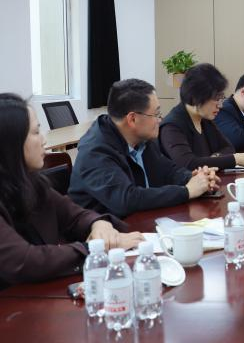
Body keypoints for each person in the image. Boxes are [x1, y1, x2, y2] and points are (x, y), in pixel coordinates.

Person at [0, 93, 143, 288]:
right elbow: (23, 261)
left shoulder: (32, 183)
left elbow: (75, 216)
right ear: (10, 143)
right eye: (36, 132)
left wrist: (98, 224)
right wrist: (93, 249)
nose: (43, 140)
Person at [69, 79, 219, 218]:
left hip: (141, 223)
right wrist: (187, 191)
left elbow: (168, 171)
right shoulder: (95, 152)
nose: (160, 119)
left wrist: (195, 178)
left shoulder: (142, 139)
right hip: (106, 232)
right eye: (156, 114)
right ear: (132, 119)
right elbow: (126, 199)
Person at [159, 63, 244, 171]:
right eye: (216, 99)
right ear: (196, 97)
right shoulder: (172, 127)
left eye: (221, 98)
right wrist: (235, 159)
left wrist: (213, 159)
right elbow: (188, 163)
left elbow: (228, 148)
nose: (220, 105)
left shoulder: (204, 119)